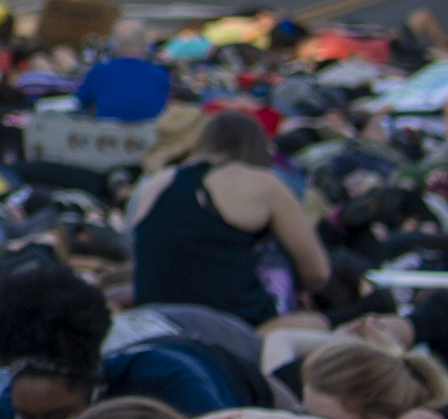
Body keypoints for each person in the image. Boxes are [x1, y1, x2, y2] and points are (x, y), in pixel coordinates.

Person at [122, 110, 332, 326]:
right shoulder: (261, 183)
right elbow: (317, 273)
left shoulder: (153, 184)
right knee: (322, 323)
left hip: (154, 320)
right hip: (234, 324)